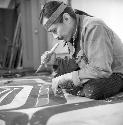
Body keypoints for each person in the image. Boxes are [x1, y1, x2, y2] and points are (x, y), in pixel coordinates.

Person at [39, 1, 123, 99]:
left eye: (54, 30)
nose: (55, 37)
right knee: (59, 78)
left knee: (92, 90)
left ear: (66, 18)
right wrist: (55, 62)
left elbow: (101, 69)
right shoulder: (72, 34)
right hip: (96, 71)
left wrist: (67, 77)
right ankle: (81, 87)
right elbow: (76, 63)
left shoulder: (94, 26)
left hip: (116, 73)